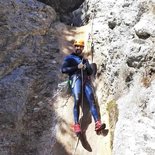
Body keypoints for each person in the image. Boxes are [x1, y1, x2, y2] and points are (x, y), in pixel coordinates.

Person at [61, 39, 103, 134]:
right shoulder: (69, 58)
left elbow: (90, 72)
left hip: (86, 81)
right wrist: (77, 67)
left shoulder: (85, 60)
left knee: (92, 100)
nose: (78, 48)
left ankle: (98, 123)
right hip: (76, 79)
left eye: (80, 46)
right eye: (77, 46)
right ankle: (76, 124)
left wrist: (86, 67)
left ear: (82, 48)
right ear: (74, 47)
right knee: (77, 99)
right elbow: (63, 69)